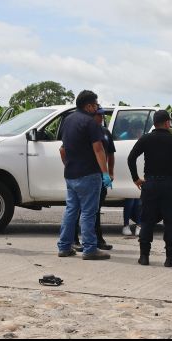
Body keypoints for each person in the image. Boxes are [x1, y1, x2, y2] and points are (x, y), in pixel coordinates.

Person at [127, 110, 172, 268]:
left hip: (150, 184)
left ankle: (144, 256)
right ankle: (170, 257)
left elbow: (131, 158)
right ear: (167, 123)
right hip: (169, 185)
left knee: (147, 220)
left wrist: (136, 178)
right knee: (170, 222)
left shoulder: (145, 139)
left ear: (154, 123)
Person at [57, 91, 111, 261]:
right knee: (89, 213)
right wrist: (105, 173)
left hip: (71, 173)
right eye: (95, 104)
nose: (97, 107)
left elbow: (63, 148)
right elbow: (98, 149)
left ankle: (64, 246)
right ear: (88, 106)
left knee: (71, 210)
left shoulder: (68, 120)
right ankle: (90, 249)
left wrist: (68, 165)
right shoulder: (91, 123)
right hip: (89, 173)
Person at [74, 107, 114, 251]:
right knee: (81, 210)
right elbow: (63, 150)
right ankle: (76, 239)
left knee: (96, 209)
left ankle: (98, 239)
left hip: (100, 177)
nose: (101, 117)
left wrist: (110, 173)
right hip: (86, 175)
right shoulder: (84, 131)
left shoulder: (105, 133)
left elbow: (110, 154)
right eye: (98, 115)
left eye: (102, 115)